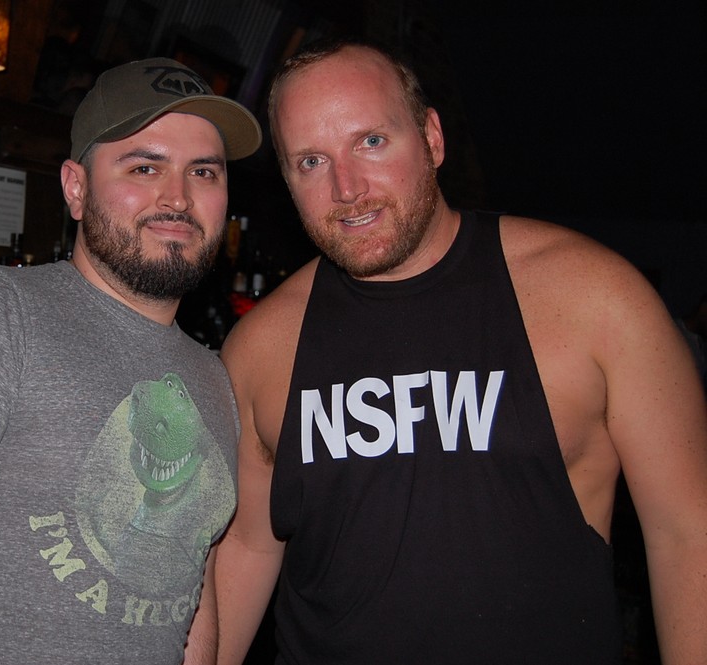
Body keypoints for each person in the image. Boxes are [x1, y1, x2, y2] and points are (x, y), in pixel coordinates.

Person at [215, 38, 707, 664]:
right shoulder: (258, 348)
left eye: (371, 141)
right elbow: (246, 548)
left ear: (432, 138)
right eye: (311, 161)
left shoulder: (597, 298)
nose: (347, 187)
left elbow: (688, 532)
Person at [0, 57, 261, 664]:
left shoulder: (211, 377)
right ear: (75, 188)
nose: (178, 197)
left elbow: (192, 596)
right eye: (144, 167)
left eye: (204, 172)